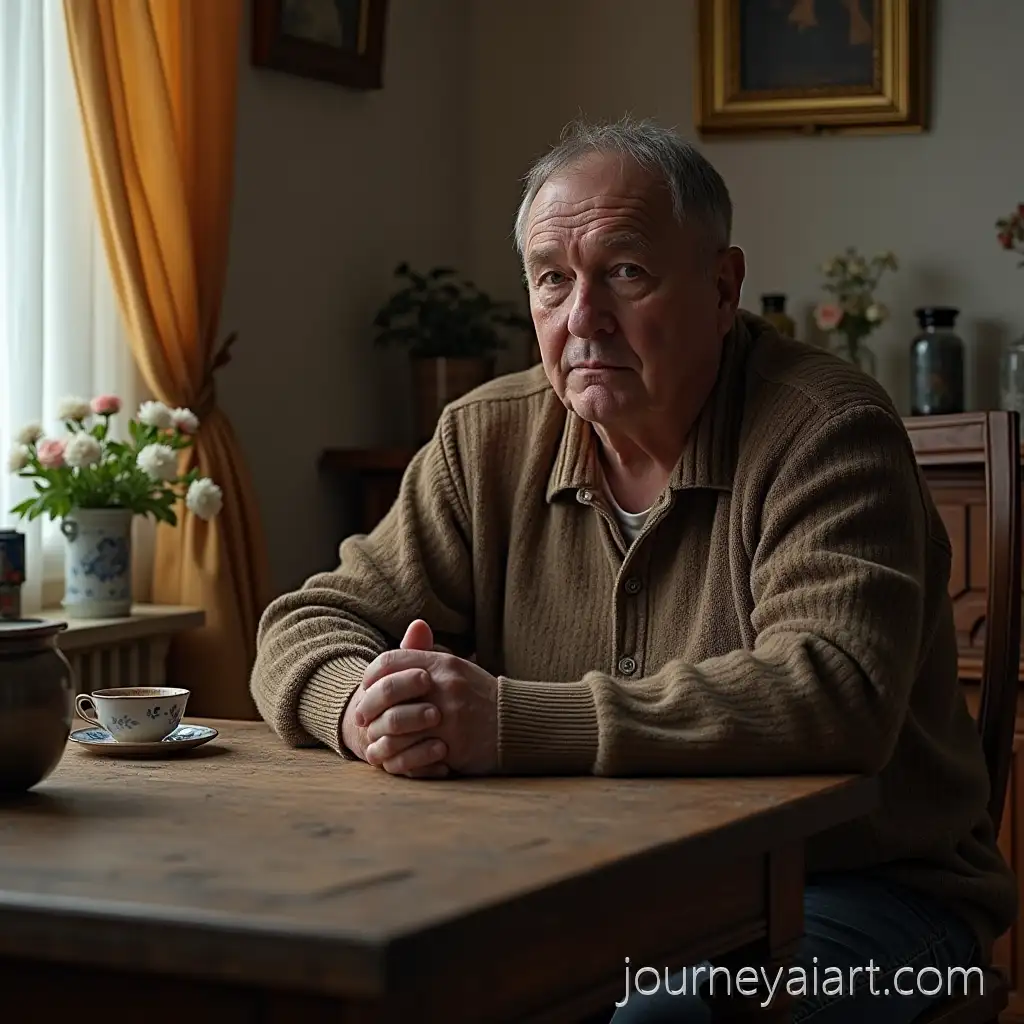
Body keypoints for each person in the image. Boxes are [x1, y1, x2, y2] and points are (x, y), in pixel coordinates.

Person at [249, 116, 1017, 1022]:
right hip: (588, 885)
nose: (582, 319)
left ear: (723, 287)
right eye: (551, 281)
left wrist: (509, 721)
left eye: (626, 273)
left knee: (666, 1018)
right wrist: (364, 710)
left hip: (867, 894)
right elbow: (303, 626)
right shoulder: (484, 436)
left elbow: (834, 694)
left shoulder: (827, 429)